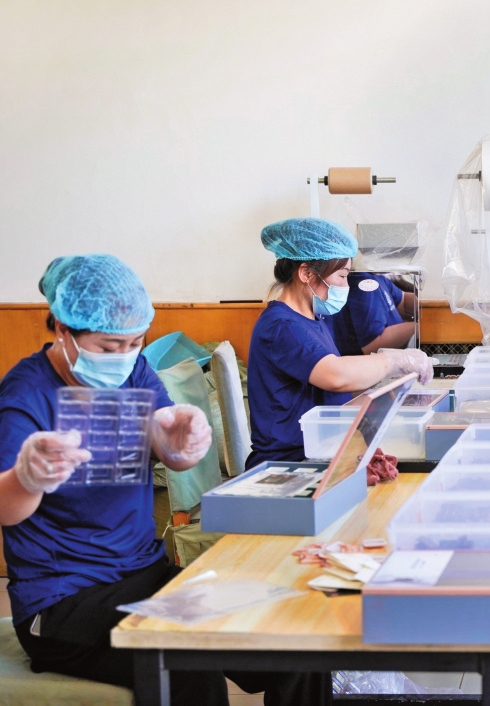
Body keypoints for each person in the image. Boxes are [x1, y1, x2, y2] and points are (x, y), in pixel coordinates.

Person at [0, 254, 326, 705]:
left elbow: (165, 439)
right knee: (187, 668)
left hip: (145, 574)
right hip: (62, 602)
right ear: (61, 329)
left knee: (295, 639)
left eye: (134, 343)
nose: (123, 357)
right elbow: (7, 508)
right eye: (108, 348)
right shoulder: (25, 394)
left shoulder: (133, 370)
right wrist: (28, 476)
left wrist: (181, 444)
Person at [247, 217, 433, 466]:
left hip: (321, 449)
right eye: (342, 276)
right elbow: (336, 376)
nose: (346, 285)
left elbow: (331, 391)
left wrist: (386, 390)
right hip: (289, 463)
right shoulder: (282, 326)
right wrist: (393, 361)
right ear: (306, 273)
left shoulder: (314, 319)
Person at [327, 271, 417, 355]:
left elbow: (403, 301)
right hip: (370, 363)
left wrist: (422, 304)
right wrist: (418, 327)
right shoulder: (365, 284)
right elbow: (374, 344)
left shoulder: (377, 277)